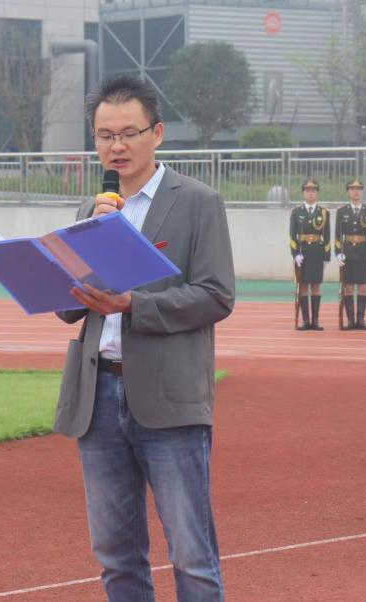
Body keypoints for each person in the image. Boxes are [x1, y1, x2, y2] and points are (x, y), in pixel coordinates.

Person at [54, 75, 235, 601]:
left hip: (168, 396)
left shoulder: (197, 202)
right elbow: (69, 307)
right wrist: (71, 259)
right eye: (105, 135)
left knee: (192, 556)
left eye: (128, 133)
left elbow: (216, 295)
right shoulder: (92, 210)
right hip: (97, 398)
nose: (117, 145)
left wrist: (134, 304)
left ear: (156, 133)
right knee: (115, 556)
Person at [334, 178, 366, 330]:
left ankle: (361, 320)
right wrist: (338, 252)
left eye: (358, 189)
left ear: (362, 192)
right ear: (348, 192)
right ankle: (351, 320)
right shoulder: (342, 211)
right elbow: (338, 235)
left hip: (363, 252)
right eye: (352, 189)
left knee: (363, 287)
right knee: (349, 288)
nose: (355, 192)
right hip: (348, 253)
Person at [290, 179, 331, 331]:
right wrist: (295, 254)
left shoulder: (323, 213)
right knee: (302, 286)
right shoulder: (296, 212)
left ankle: (315, 320)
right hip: (302, 253)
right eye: (307, 191)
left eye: (313, 191)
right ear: (303, 193)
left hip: (317, 253)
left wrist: (326, 257)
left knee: (315, 286)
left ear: (317, 193)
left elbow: (327, 236)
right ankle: (305, 320)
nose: (310, 194)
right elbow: (292, 236)